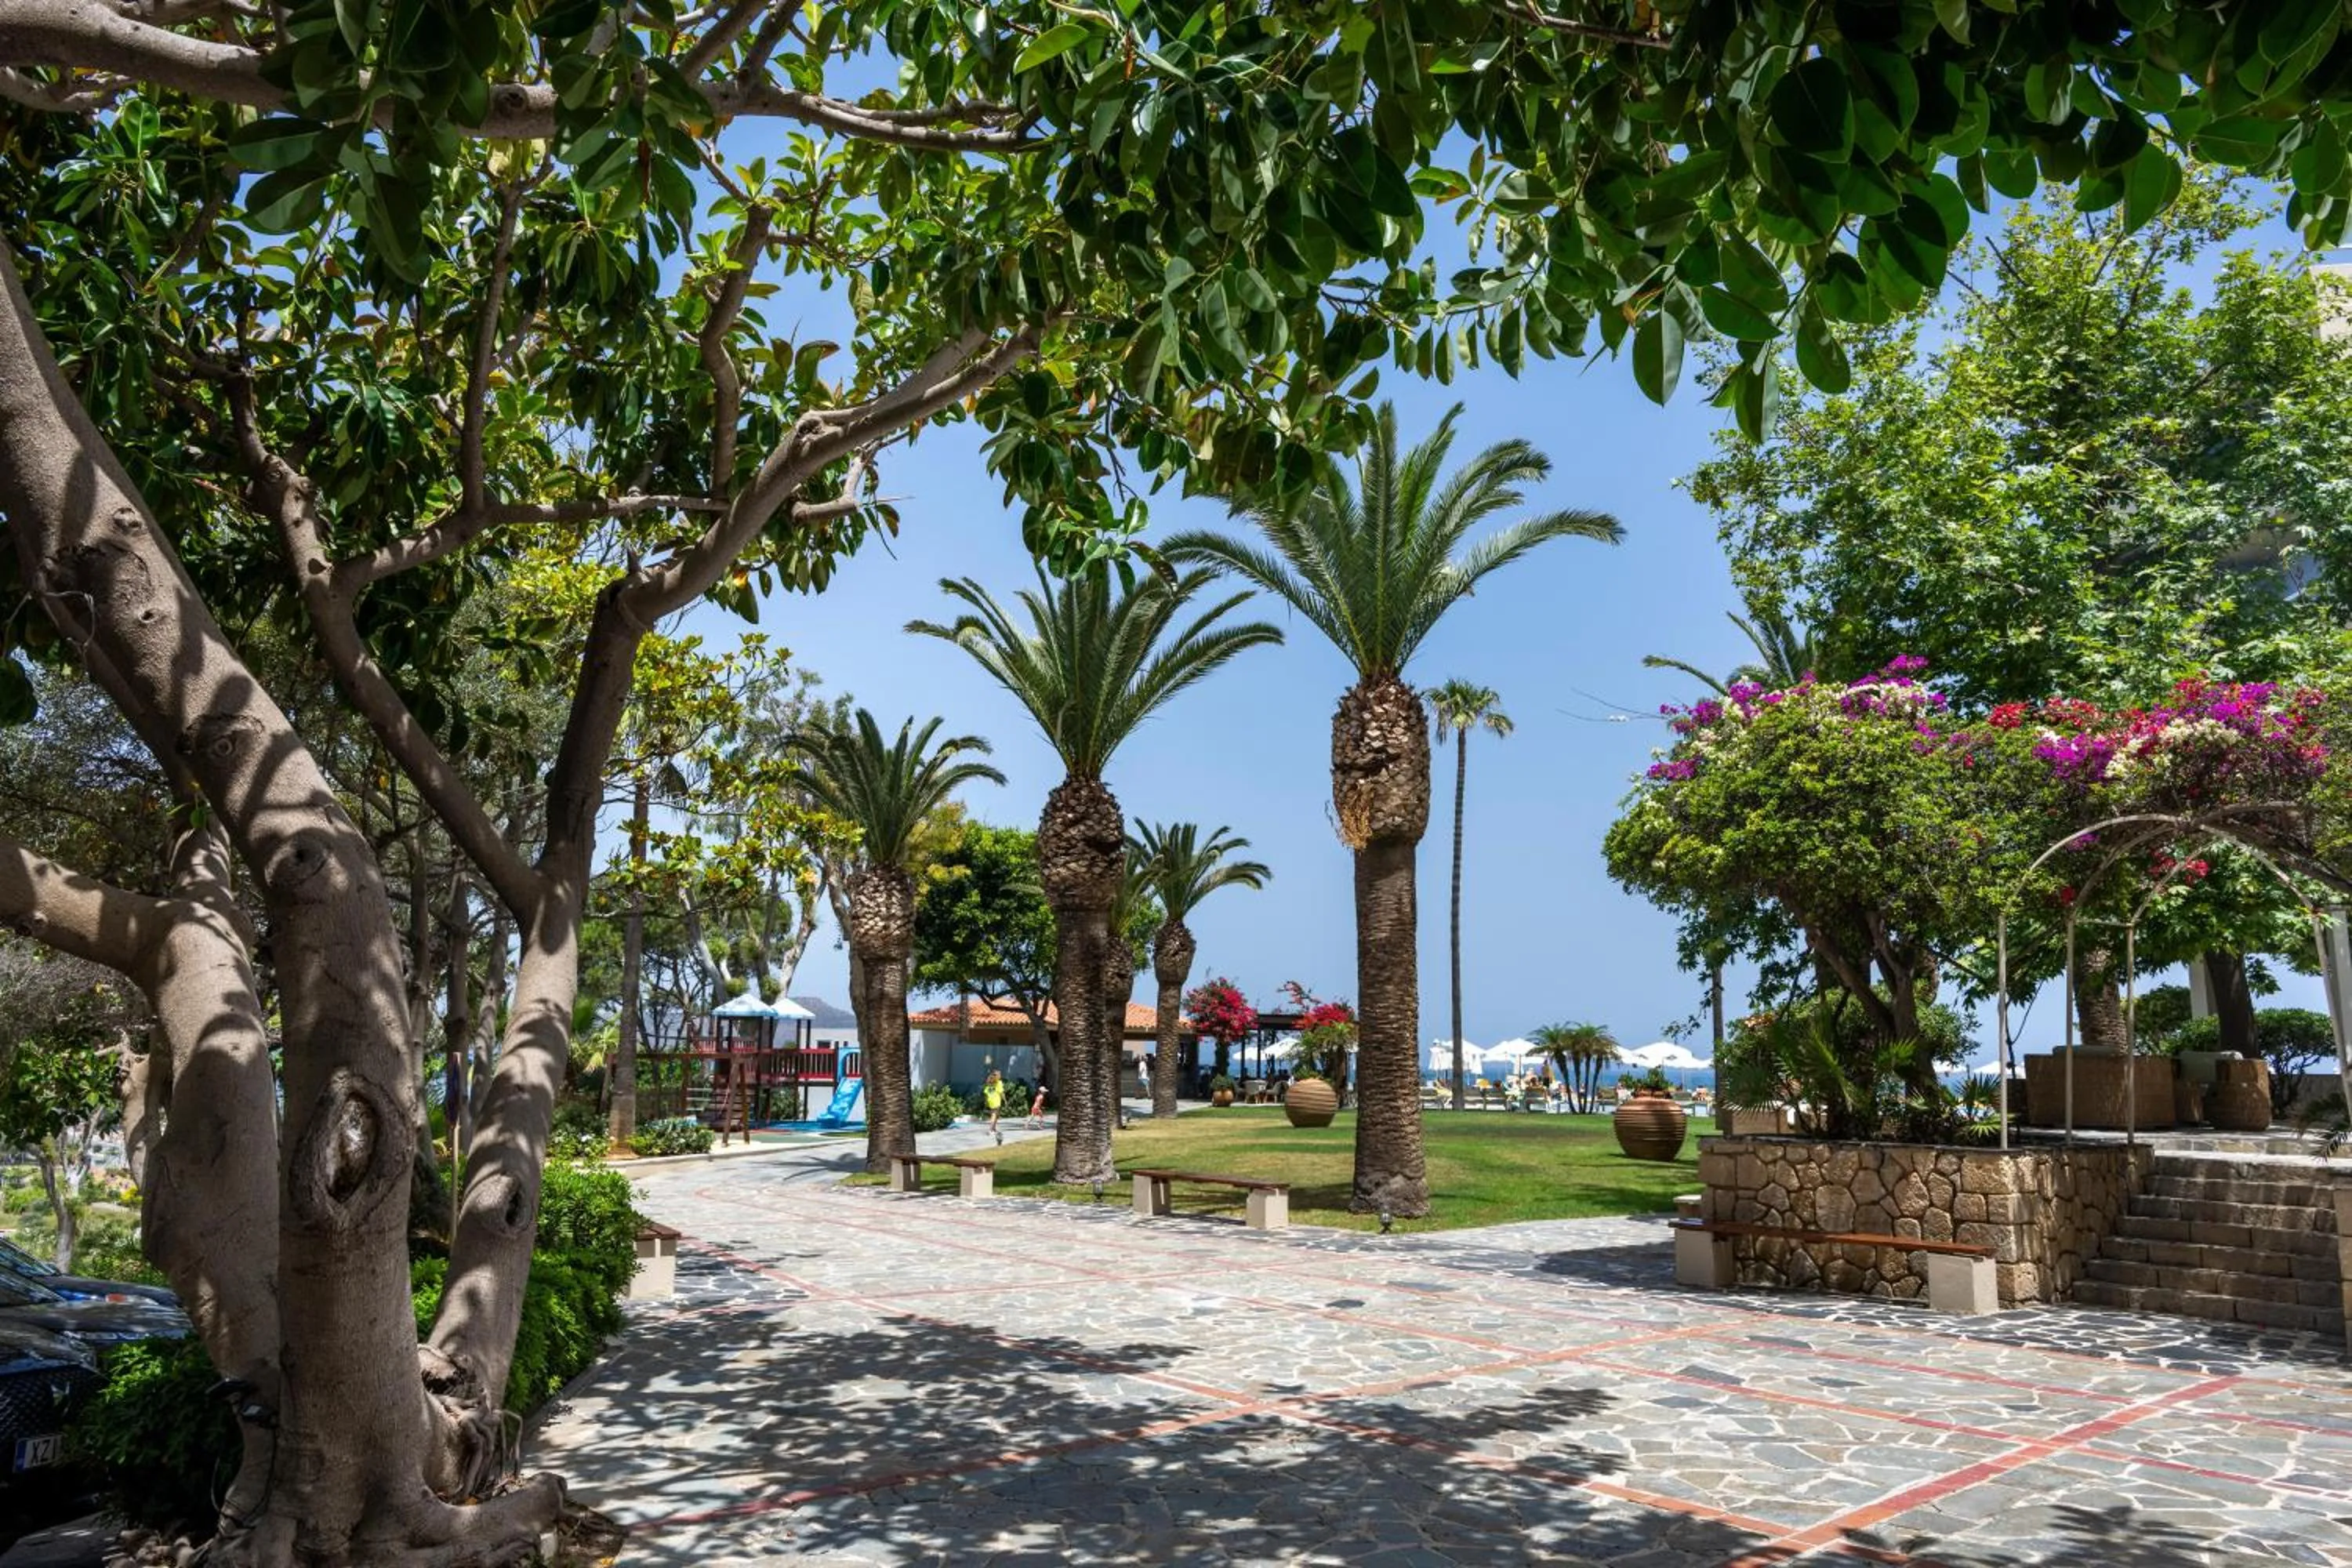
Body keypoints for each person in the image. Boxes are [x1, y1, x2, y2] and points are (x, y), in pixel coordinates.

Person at [983, 1069, 1006, 1144]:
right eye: (1000, 1074)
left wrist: (987, 1102)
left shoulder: (989, 1083)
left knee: (996, 1114)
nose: (1000, 1075)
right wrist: (1005, 1100)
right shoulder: (999, 1083)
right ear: (997, 1076)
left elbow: (986, 1094)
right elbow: (1001, 1093)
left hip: (991, 1100)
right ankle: (990, 1130)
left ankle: (994, 1128)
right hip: (996, 1101)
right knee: (994, 1115)